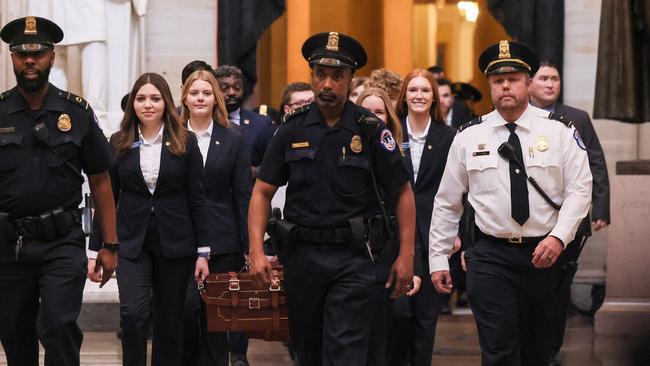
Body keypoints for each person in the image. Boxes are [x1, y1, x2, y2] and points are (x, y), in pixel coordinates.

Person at [248, 31, 416, 366]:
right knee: (307, 352)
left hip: (353, 260)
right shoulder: (291, 129)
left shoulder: (369, 129)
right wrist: (255, 250)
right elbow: (262, 191)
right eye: (320, 75)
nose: (327, 84)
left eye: (337, 76)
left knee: (345, 353)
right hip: (302, 258)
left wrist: (406, 257)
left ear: (350, 78)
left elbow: (402, 193)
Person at [429, 40, 592, 365]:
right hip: (490, 257)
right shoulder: (468, 136)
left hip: (544, 257)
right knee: (498, 350)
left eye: (514, 78)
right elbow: (447, 202)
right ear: (489, 85)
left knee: (539, 351)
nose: (505, 85)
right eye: (497, 80)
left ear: (528, 83)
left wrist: (559, 237)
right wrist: (438, 258)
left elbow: (580, 189)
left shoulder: (559, 131)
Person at [0, 16, 118, 366]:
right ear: (13, 59)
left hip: (61, 241)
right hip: (8, 245)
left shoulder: (75, 113)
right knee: (14, 331)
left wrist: (109, 245)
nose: (30, 61)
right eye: (22, 54)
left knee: (59, 324)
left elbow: (100, 180)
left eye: (37, 54)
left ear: (52, 57)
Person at [89, 72, 210, 366]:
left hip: (176, 244)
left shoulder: (186, 141)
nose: (148, 105)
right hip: (132, 243)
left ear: (166, 103)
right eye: (141, 99)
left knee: (169, 322)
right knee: (133, 315)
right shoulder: (119, 142)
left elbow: (198, 198)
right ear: (133, 105)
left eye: (155, 98)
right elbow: (107, 197)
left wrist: (203, 251)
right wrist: (96, 249)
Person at [528, 60, 610, 366]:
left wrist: (600, 207)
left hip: (569, 221)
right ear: (530, 83)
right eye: (544, 78)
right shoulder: (521, 117)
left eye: (555, 79)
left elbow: (596, 164)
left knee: (559, 288)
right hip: (531, 220)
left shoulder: (576, 118)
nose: (550, 84)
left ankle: (550, 350)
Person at [179, 69, 252, 366]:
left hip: (223, 239)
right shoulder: (171, 134)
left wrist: (250, 245)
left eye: (206, 93)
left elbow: (243, 194)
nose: (200, 98)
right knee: (185, 312)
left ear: (215, 98)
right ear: (184, 97)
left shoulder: (233, 137)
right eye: (194, 92)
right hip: (179, 238)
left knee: (216, 319)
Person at [388, 69, 456, 366]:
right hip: (396, 235)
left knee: (426, 318)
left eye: (425, 90)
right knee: (398, 314)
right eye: (413, 90)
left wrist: (457, 233)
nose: (419, 96)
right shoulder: (390, 133)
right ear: (404, 95)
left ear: (434, 98)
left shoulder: (449, 136)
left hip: (434, 235)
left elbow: (459, 190)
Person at [355, 86, 408, 366]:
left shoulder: (396, 156)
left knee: (380, 339)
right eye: (366, 112)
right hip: (350, 256)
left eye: (379, 112)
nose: (373, 117)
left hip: (385, 256)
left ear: (389, 117)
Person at [215, 65, 275, 181]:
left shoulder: (261, 124)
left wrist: (251, 171)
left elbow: (275, 163)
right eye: (225, 88)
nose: (232, 92)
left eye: (237, 87)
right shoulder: (204, 122)